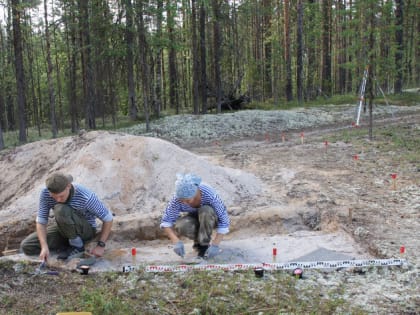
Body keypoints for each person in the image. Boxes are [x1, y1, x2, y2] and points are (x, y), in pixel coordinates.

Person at [20, 172, 113, 262]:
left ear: (68, 186)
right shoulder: (45, 193)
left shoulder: (86, 196)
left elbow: (108, 219)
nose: (58, 199)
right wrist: (44, 247)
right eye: (54, 197)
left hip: (85, 230)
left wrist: (101, 245)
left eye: (61, 196)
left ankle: (77, 246)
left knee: (60, 209)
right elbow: (41, 221)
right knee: (27, 246)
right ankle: (67, 244)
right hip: (65, 228)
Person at [160, 173, 230, 259]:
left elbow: (224, 220)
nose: (184, 203)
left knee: (206, 210)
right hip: (194, 218)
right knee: (181, 225)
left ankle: (204, 246)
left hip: (211, 218)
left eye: (188, 200)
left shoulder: (209, 194)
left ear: (196, 192)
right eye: (182, 200)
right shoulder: (177, 199)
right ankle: (199, 244)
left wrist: (215, 245)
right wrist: (176, 241)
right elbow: (166, 221)